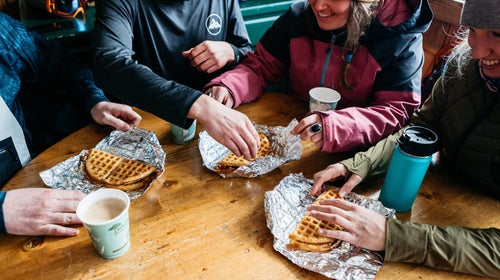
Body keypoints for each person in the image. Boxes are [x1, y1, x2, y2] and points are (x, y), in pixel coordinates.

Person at [306, 0, 500, 277]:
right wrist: (359, 165)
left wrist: (393, 236)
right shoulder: (464, 68)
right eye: (472, 30)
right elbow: (421, 128)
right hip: (435, 199)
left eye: (497, 34)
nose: (477, 50)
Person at [205, 0, 433, 153]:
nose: (318, 5)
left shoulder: (402, 40)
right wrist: (229, 87)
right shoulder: (298, 17)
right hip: (293, 139)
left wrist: (338, 126)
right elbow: (261, 65)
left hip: (355, 156)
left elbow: (396, 111)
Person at [0, 12, 142, 236]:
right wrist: (1, 209)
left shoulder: (3, 34)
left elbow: (62, 64)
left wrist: (94, 100)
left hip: (29, 177)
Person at [91, 0, 261, 160]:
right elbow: (109, 63)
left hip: (219, 128)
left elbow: (245, 51)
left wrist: (230, 51)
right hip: (145, 133)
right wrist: (200, 105)